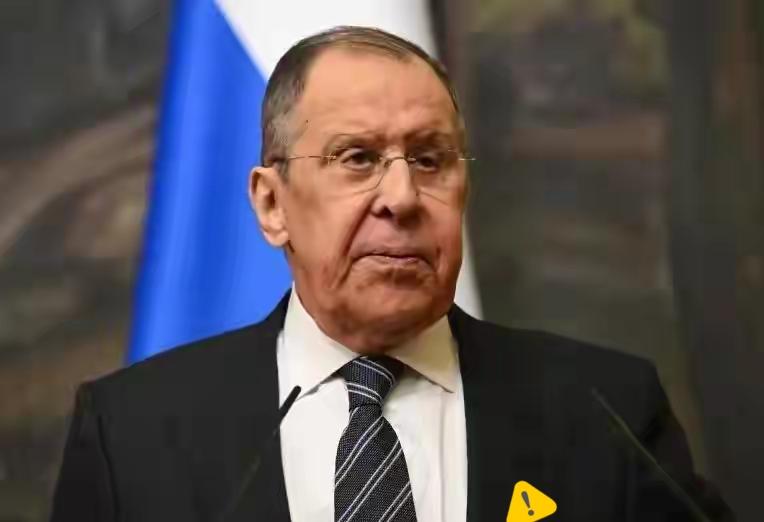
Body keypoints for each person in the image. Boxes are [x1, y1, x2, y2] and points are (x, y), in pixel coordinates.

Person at [50, 26, 732, 522]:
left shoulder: (607, 411)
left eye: (430, 160)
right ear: (272, 205)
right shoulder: (130, 433)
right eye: (357, 158)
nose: (402, 198)